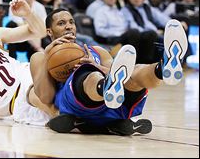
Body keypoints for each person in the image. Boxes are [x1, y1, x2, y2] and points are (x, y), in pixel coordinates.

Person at [30, 8, 188, 135]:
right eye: (61, 23)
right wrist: (48, 53)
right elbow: (45, 97)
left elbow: (121, 71)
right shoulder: (40, 57)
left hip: (115, 105)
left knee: (132, 74)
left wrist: (97, 65)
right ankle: (105, 86)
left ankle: (163, 68)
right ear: (49, 32)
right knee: (89, 74)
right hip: (77, 105)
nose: (69, 26)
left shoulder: (97, 51)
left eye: (71, 22)